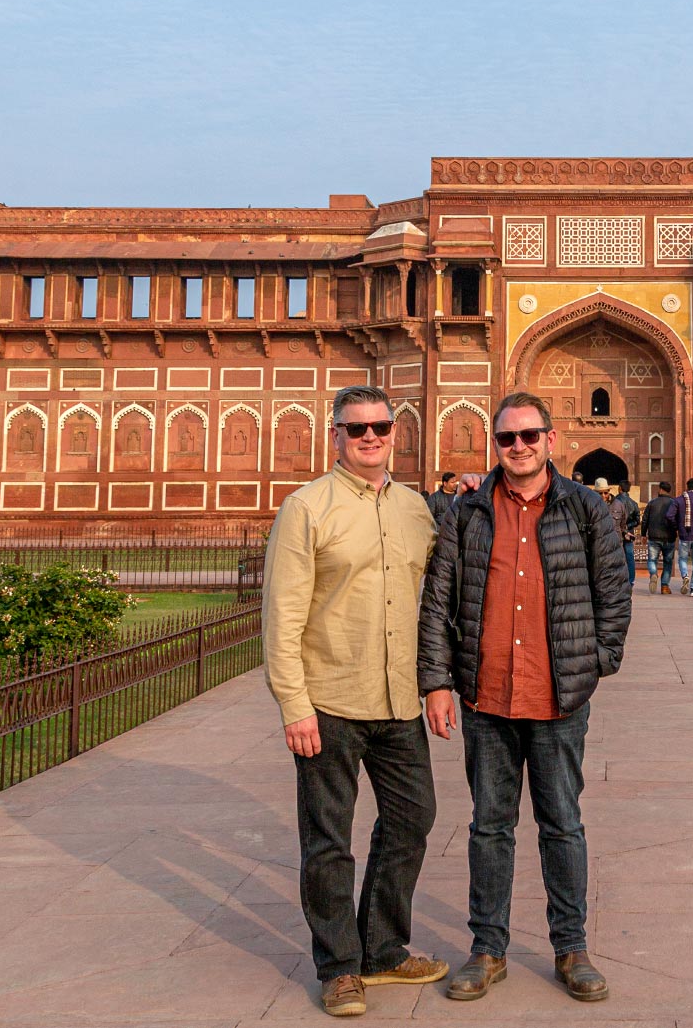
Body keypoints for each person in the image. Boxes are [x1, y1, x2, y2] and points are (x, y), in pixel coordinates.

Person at [418, 391, 632, 1004]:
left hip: (558, 696)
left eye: (529, 436)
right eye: (507, 438)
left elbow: (614, 592)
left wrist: (597, 662)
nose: (519, 447)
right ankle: (488, 949)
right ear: (495, 445)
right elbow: (438, 600)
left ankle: (572, 948)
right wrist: (436, 680)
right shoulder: (467, 512)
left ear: (551, 439)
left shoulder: (586, 508)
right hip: (487, 697)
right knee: (490, 829)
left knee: (562, 825)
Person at [261, 384, 447, 1017]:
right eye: (356, 427)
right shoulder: (306, 508)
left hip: (397, 702)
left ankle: (383, 948)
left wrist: (436, 683)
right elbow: (282, 614)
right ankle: (340, 965)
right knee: (328, 841)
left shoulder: (416, 510)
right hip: (331, 699)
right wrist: (294, 704)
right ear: (334, 434)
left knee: (413, 820)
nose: (370, 437)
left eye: (380, 427)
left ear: (396, 432)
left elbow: (435, 608)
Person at [641, 481, 677, 595]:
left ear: (660, 489)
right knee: (667, 562)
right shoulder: (673, 503)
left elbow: (645, 520)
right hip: (669, 537)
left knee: (652, 560)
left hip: (654, 537)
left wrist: (643, 534)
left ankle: (653, 574)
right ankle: (665, 587)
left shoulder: (652, 503)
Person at [612, 481, 639, 585]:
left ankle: (617, 579)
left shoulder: (615, 501)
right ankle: (631, 580)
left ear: (619, 488)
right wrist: (628, 526)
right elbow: (637, 520)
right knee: (629, 556)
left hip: (616, 532)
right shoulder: (633, 503)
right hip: (629, 533)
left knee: (616, 556)